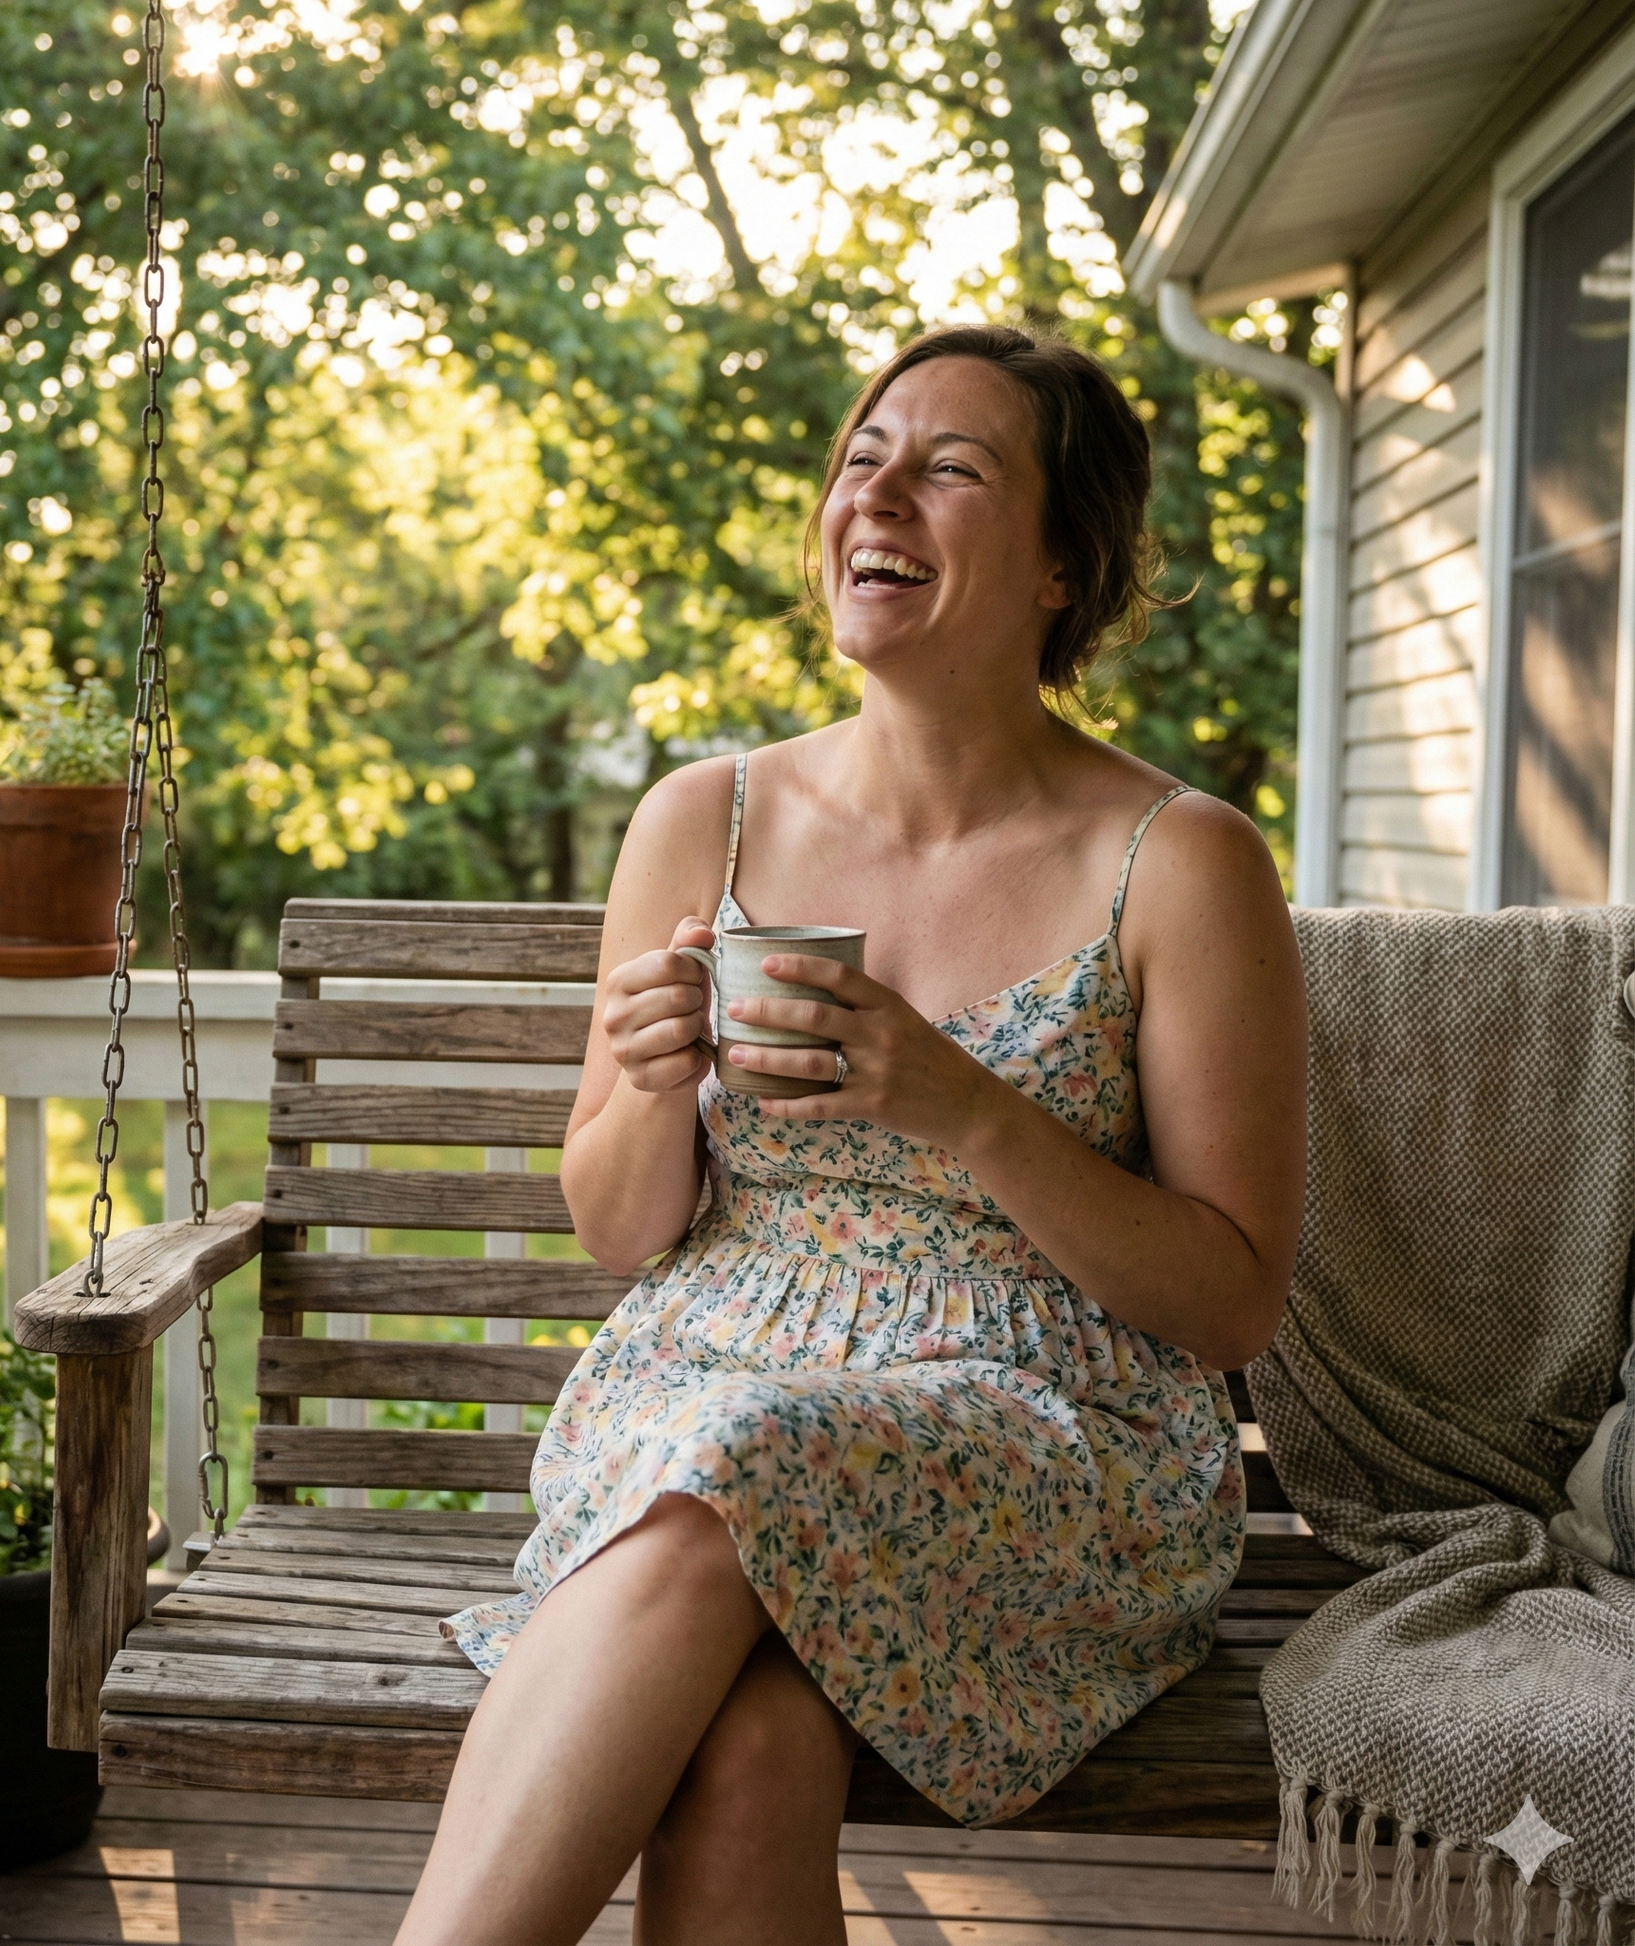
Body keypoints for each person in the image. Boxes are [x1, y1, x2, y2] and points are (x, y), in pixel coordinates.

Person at [396, 324, 1308, 1946]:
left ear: (1060, 565)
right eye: (860, 455)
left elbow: (1230, 1300)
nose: (873, 489)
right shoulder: (706, 816)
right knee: (746, 1749)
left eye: (949, 467)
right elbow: (617, 1226)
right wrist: (647, 1079)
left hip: (1042, 1436)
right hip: (701, 1377)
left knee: (729, 1469)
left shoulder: (1177, 860)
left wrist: (958, 1104)